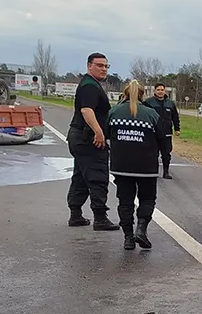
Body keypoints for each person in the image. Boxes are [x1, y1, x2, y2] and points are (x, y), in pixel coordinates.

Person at [108, 80, 165, 250]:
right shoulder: (151, 114)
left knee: (125, 201)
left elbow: (106, 135)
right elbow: (162, 139)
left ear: (124, 94)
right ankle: (141, 228)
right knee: (147, 198)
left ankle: (128, 238)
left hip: (121, 166)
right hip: (146, 166)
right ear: (142, 95)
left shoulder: (114, 112)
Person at [66, 52, 119, 231]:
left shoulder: (91, 84)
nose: (104, 69)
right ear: (89, 66)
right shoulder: (90, 86)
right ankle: (100, 217)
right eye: (99, 65)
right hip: (88, 138)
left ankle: (75, 214)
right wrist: (99, 132)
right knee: (97, 176)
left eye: (106, 66)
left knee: (80, 177)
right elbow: (87, 111)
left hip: (79, 137)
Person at [143, 83, 181, 179]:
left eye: (162, 90)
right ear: (155, 91)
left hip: (166, 133)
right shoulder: (148, 102)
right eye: (158, 90)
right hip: (153, 133)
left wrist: (177, 129)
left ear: (165, 91)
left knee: (166, 154)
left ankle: (166, 172)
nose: (160, 92)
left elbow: (175, 117)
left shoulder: (170, 103)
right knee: (152, 153)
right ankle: (152, 171)